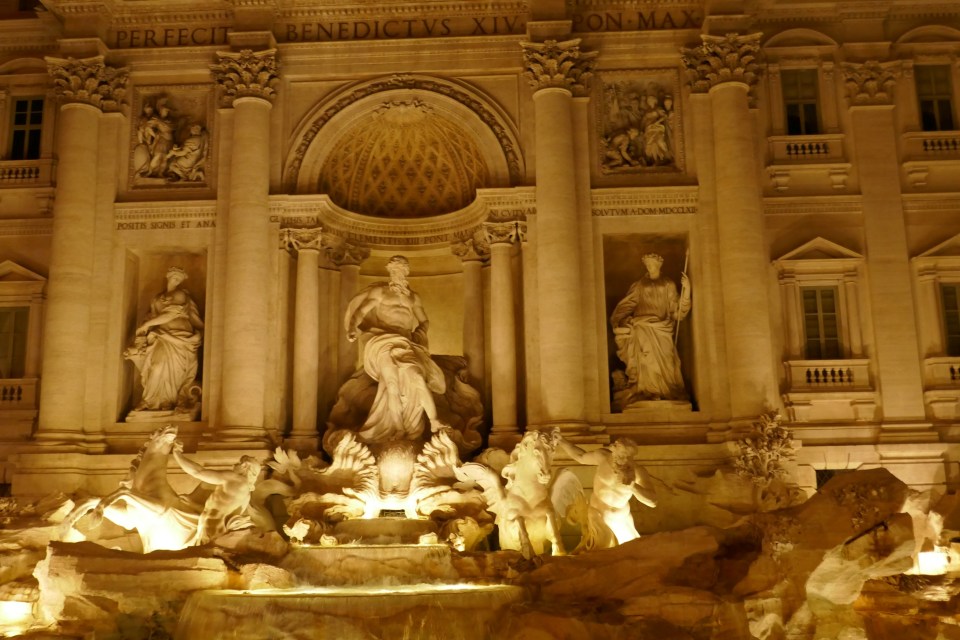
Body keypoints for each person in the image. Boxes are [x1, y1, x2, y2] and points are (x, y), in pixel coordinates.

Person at [343, 255, 447, 442]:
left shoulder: (414, 298)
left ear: (407, 272)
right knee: (391, 384)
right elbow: (360, 312)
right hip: (382, 340)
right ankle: (398, 429)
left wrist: (419, 335)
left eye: (401, 269)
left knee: (416, 377)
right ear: (389, 271)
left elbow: (424, 320)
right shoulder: (380, 292)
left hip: (405, 342)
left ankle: (434, 420)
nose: (398, 273)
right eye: (394, 270)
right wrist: (352, 328)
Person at [610, 253, 690, 405]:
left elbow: (677, 311)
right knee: (646, 359)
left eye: (652, 265)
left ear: (659, 266)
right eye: (647, 265)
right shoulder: (639, 285)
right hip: (642, 327)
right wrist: (617, 320)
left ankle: (667, 391)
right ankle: (649, 391)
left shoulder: (669, 284)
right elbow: (628, 304)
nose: (650, 267)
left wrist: (687, 291)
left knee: (667, 358)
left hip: (662, 328)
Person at [556, 436, 657, 551]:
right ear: (613, 449)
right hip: (597, 514)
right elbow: (580, 456)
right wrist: (561, 440)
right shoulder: (602, 457)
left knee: (635, 551)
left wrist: (633, 486)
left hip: (621, 517)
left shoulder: (638, 471)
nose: (623, 460)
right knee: (600, 550)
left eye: (627, 457)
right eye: (620, 455)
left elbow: (652, 501)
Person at [124, 267, 204, 412]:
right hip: (160, 337)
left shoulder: (180, 294)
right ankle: (149, 400)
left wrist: (148, 324)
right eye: (174, 277)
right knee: (156, 367)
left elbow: (171, 314)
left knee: (174, 371)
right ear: (168, 277)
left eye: (179, 279)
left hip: (179, 337)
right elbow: (152, 315)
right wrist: (145, 328)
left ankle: (168, 401)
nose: (176, 280)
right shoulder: (157, 298)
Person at [171, 442, 261, 545]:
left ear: (245, 466)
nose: (234, 465)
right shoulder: (246, 494)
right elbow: (218, 512)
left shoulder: (236, 479)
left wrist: (177, 453)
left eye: (238, 463)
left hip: (210, 530)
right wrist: (192, 505)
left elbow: (198, 472)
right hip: (215, 530)